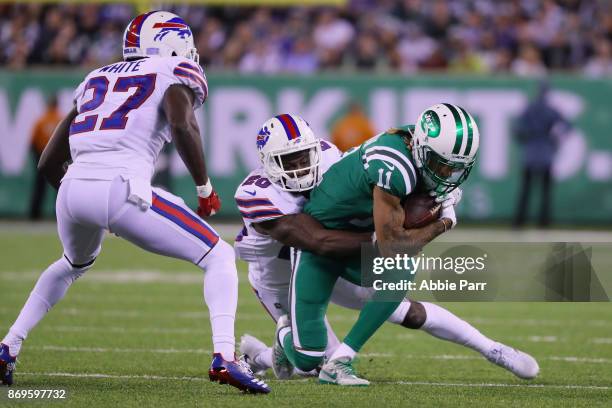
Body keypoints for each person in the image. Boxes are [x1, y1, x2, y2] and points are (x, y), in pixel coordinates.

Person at [0, 11, 269, 394]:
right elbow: (182, 123)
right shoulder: (173, 70)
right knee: (219, 255)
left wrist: (88, 199)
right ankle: (225, 358)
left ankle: (8, 346)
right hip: (122, 184)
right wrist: (204, 187)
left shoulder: (96, 77)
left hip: (72, 187)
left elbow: (47, 162)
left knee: (71, 264)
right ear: (173, 44)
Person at [235, 114, 539, 382]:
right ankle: (274, 346)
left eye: (304, 156)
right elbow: (318, 241)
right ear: (268, 163)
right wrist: (390, 241)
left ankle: (492, 348)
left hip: (332, 256)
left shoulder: (329, 157)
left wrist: (424, 209)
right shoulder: (255, 193)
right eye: (290, 162)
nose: (301, 167)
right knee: (311, 363)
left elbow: (357, 206)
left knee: (400, 305)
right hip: (278, 275)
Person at [513, 81, 571, 228]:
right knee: (545, 191)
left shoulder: (530, 109)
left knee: (526, 190)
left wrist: (526, 138)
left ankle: (519, 222)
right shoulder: (551, 110)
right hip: (546, 154)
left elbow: (517, 130)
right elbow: (566, 126)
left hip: (530, 154)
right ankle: (544, 222)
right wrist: (554, 138)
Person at [29, 94, 62, 220]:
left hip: (42, 156)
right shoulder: (60, 119)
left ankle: (34, 214)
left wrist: (37, 157)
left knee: (39, 187)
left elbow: (32, 142)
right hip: (58, 158)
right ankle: (59, 214)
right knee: (59, 187)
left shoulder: (41, 120)